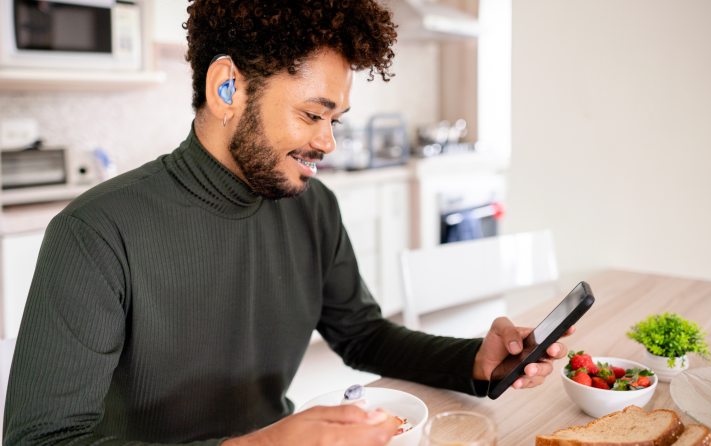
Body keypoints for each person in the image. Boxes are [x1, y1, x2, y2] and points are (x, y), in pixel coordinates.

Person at [3, 2, 573, 446]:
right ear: (227, 87)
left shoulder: (313, 207)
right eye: (312, 114)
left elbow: (362, 334)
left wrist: (471, 360)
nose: (327, 141)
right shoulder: (96, 232)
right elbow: (40, 438)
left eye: (335, 120)